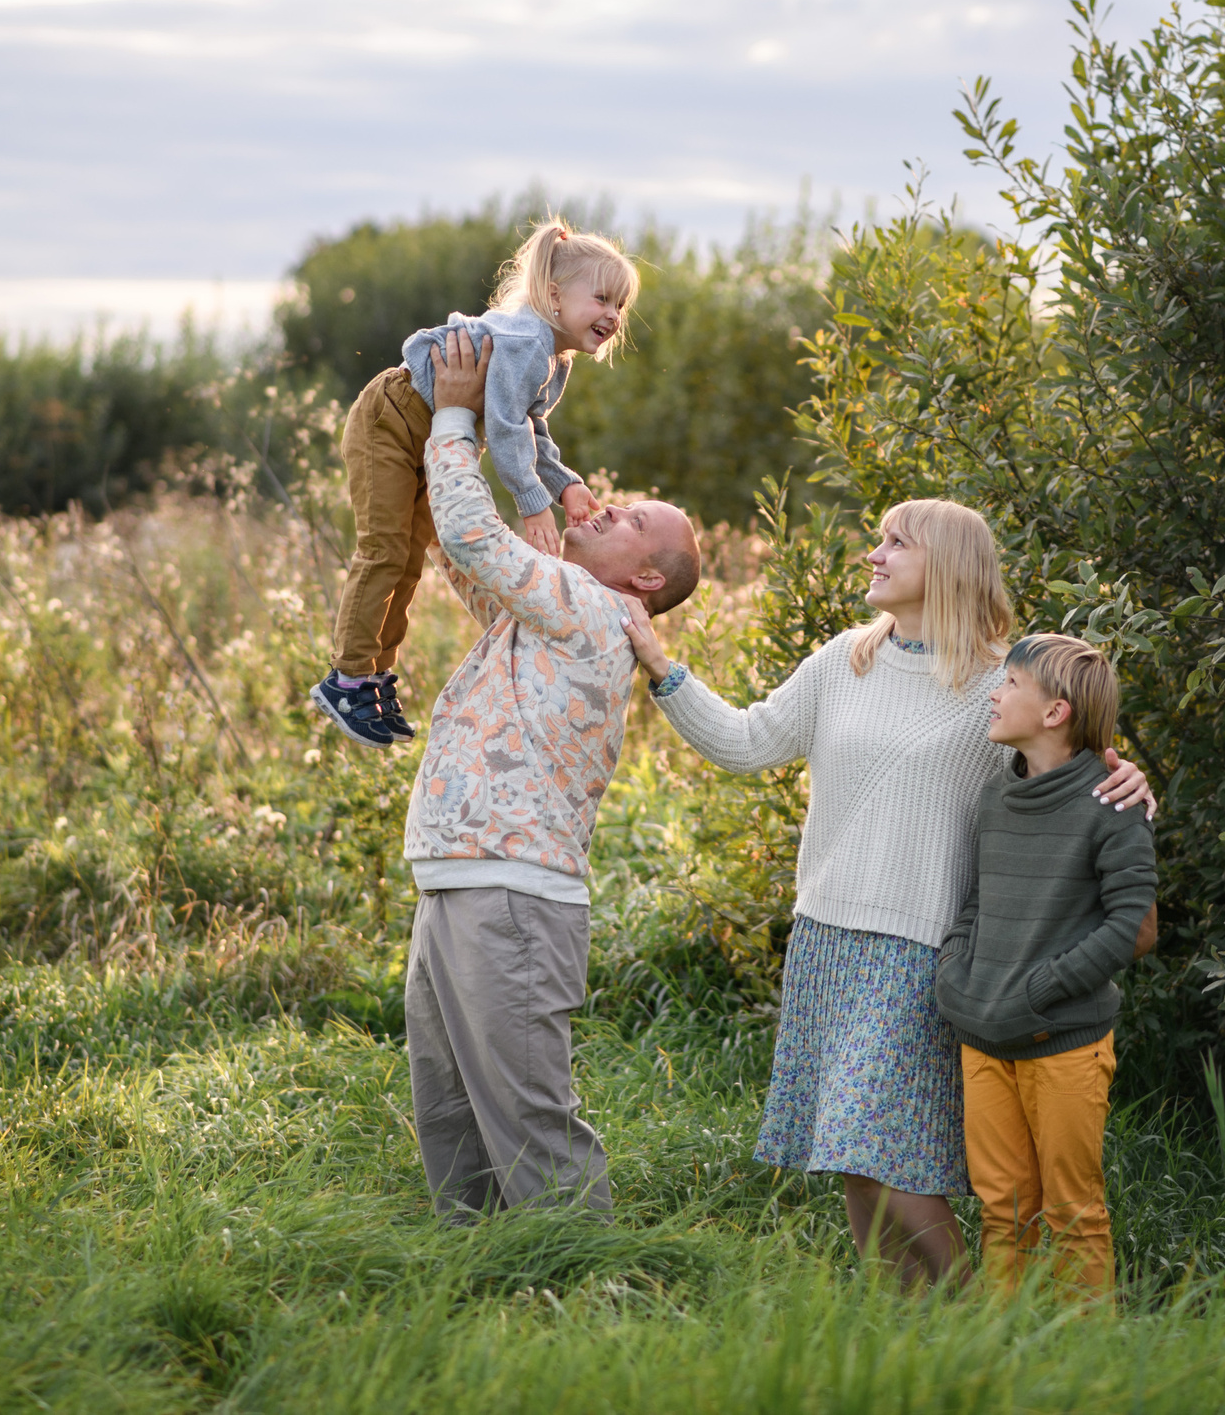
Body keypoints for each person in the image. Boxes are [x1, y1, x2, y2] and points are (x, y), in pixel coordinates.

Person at [622, 499, 1154, 1287]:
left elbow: (1075, 768)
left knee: (887, 1151)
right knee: (852, 1160)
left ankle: (973, 1316)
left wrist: (1135, 782)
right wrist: (660, 665)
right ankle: (907, 1330)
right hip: (824, 938)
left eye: (893, 542)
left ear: (945, 564)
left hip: (920, 947)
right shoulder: (846, 660)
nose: (873, 554)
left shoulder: (999, 685)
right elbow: (743, 742)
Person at [400, 329, 701, 1218]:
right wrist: (452, 438)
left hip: (513, 896)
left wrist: (456, 409)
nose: (609, 508)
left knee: (531, 1118)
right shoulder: (552, 603)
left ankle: (592, 1296)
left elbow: (470, 531)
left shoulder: (591, 608)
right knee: (451, 1110)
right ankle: (490, 1293)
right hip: (459, 879)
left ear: (644, 579)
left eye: (635, 521)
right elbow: (464, 555)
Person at [310, 217, 638, 749]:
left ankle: (375, 679)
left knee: (409, 562)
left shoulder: (554, 360)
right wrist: (534, 506)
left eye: (620, 306)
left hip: (426, 437)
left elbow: (531, 428)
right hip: (390, 420)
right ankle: (346, 679)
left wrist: (565, 486)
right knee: (385, 551)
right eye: (602, 298)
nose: (612, 315)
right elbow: (505, 429)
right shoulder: (528, 339)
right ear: (554, 296)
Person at [935, 634, 1155, 1299]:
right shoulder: (998, 796)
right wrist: (956, 977)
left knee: (1072, 1210)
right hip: (983, 1037)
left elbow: (1130, 927)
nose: (994, 694)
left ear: (1055, 711)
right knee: (1003, 1208)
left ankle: (1085, 1367)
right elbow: (976, 899)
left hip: (1065, 1045)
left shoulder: (1112, 802)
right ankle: (1011, 1354)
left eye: (1008, 684)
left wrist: (1042, 991)